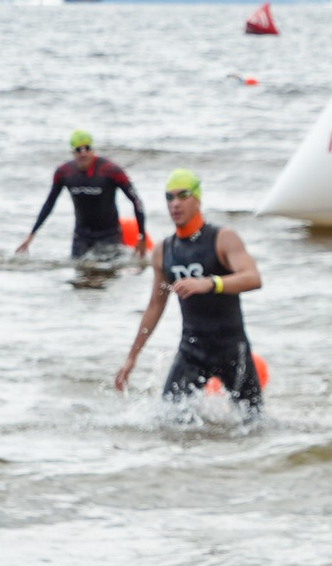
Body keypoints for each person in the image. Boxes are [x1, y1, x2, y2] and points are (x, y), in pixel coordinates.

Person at [113, 170, 264, 409]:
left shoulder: (222, 238)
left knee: (254, 424)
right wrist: (132, 356)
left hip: (232, 350)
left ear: (197, 199)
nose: (175, 203)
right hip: (192, 351)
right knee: (167, 421)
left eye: (183, 195)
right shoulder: (164, 251)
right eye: (169, 198)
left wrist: (210, 283)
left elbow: (253, 278)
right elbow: (155, 305)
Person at [17, 131, 147, 261]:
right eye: (78, 150)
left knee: (108, 276)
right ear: (73, 153)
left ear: (93, 150)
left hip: (109, 235)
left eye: (87, 148)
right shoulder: (64, 172)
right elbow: (49, 203)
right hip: (81, 236)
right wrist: (31, 235)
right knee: (79, 276)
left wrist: (141, 236)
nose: (83, 153)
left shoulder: (111, 170)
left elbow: (136, 201)